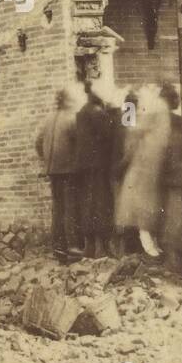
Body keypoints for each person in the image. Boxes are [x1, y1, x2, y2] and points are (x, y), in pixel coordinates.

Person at [114, 83, 171, 258]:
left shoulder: (134, 117)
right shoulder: (130, 116)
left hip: (135, 165)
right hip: (131, 165)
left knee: (138, 206)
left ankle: (143, 245)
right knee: (137, 206)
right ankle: (143, 245)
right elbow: (128, 138)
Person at [35, 83, 85, 261]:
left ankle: (58, 248)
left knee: (57, 208)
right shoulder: (71, 118)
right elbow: (80, 145)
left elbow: (38, 142)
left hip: (52, 170)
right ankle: (72, 247)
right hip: (68, 170)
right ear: (67, 101)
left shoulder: (48, 119)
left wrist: (46, 160)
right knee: (70, 207)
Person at [76, 78, 119, 259]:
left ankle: (89, 246)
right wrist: (115, 112)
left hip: (84, 166)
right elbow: (111, 135)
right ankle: (101, 247)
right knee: (100, 204)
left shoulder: (81, 113)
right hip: (99, 166)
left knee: (87, 203)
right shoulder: (98, 113)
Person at [158, 84, 182, 275]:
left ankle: (173, 260)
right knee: (177, 219)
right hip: (177, 176)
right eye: (175, 98)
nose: (178, 101)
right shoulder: (179, 123)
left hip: (167, 177)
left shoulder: (156, 121)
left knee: (171, 218)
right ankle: (175, 262)